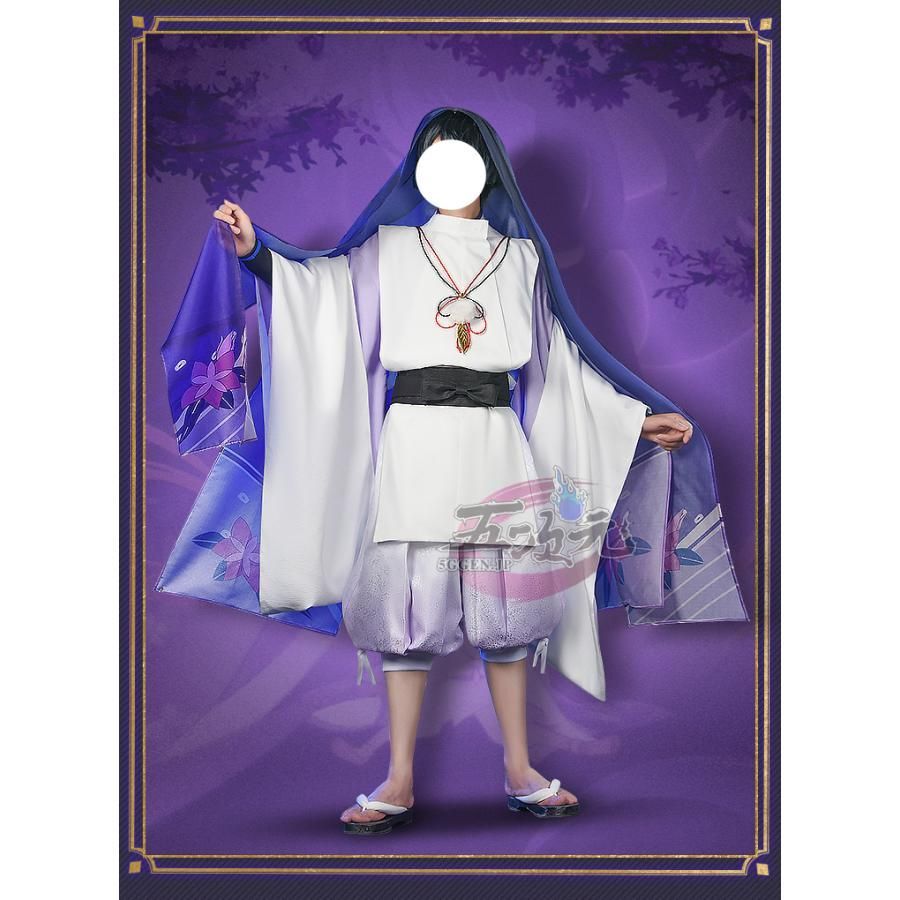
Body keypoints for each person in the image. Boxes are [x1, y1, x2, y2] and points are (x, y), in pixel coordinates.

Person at [159, 107, 748, 835]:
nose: (445, 166)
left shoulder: (521, 260)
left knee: (510, 616)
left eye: (458, 153)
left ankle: (520, 770)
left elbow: (560, 365)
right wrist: (256, 252)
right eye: (433, 153)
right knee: (405, 614)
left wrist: (632, 420)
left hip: (495, 439)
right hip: (415, 442)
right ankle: (400, 777)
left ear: (484, 165)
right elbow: (321, 297)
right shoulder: (389, 250)